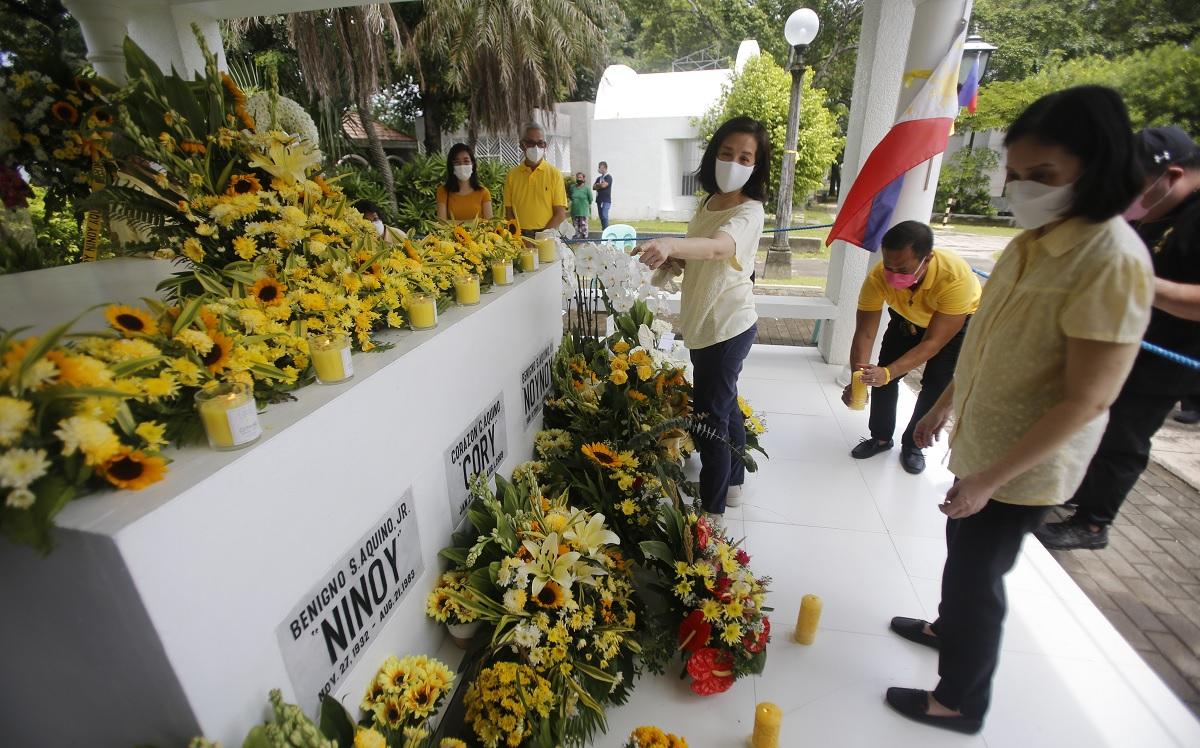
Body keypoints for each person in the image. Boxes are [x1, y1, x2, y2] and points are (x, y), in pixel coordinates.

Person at [885, 86, 1152, 735]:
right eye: (1017, 171)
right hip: (981, 442)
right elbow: (988, 336)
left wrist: (990, 480)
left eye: (1045, 175)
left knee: (980, 578)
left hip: (1021, 468)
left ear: (1097, 169)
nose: (1022, 187)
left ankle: (959, 701)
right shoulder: (1034, 241)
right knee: (961, 550)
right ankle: (948, 629)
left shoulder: (1111, 263)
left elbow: (1089, 398)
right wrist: (942, 403)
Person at [1035, 126, 1200, 550]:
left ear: (1174, 175)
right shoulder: (1159, 213)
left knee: (1124, 435)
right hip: (1125, 340)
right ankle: (1076, 494)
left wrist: (1138, 282)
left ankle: (1092, 523)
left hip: (1166, 358)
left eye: (1136, 184)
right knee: (1093, 421)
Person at [632, 117, 768, 523]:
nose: (733, 162)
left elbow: (716, 249)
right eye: (726, 153)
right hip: (704, 323)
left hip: (727, 325)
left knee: (710, 418)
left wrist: (674, 242)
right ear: (713, 156)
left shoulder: (750, 212)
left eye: (745, 157)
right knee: (725, 406)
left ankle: (711, 512)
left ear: (756, 166)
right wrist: (669, 254)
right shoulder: (709, 202)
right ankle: (736, 481)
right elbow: (699, 254)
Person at [842, 220, 981, 474]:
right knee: (879, 374)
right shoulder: (877, 278)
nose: (893, 274)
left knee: (935, 384)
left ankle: (913, 444)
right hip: (907, 319)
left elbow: (933, 343)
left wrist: (889, 372)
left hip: (954, 324)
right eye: (888, 266)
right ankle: (881, 437)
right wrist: (857, 379)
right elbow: (864, 332)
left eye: (903, 268)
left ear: (926, 259)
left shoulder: (955, 277)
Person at [503, 123, 567, 234]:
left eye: (540, 143)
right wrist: (518, 235)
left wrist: (541, 237)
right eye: (531, 143)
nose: (536, 147)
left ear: (545, 146)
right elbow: (509, 213)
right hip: (520, 238)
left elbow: (560, 214)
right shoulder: (512, 175)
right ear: (522, 145)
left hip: (547, 237)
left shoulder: (554, 174)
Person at [436, 143, 493, 221]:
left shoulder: (483, 192)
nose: (462, 165)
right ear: (451, 166)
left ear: (472, 164)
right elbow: (442, 224)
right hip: (452, 233)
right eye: (457, 162)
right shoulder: (443, 192)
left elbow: (490, 224)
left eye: (466, 161)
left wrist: (455, 224)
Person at [568, 171, 592, 240]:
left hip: (583, 211)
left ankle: (585, 239)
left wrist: (586, 205)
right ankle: (576, 240)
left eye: (580, 177)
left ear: (583, 179)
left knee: (583, 227)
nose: (579, 179)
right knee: (575, 227)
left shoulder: (586, 188)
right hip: (574, 211)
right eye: (577, 177)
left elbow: (590, 199)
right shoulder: (572, 187)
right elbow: (570, 196)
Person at [593, 161, 613, 230]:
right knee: (601, 217)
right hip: (599, 200)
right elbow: (594, 187)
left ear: (605, 168)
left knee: (605, 216)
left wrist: (598, 185)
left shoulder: (608, 177)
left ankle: (607, 230)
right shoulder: (599, 178)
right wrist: (599, 185)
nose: (599, 169)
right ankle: (604, 230)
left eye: (601, 168)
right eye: (599, 168)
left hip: (606, 200)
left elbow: (604, 185)